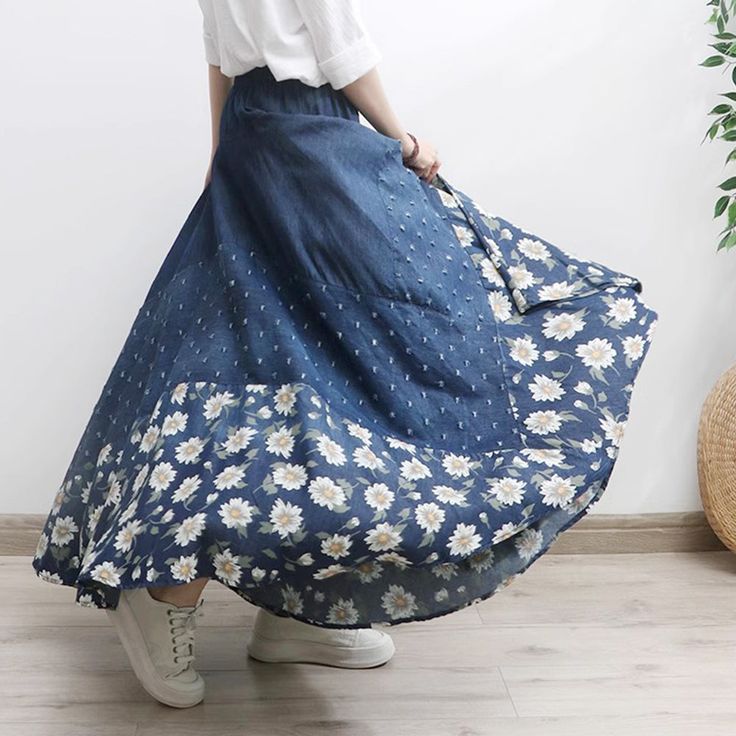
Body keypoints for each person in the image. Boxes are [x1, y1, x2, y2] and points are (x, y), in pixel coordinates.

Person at [32, 0, 658, 710]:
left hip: (256, 137)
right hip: (312, 138)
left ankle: (299, 605)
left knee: (302, 370)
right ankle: (163, 593)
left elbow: (219, 48)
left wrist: (218, 153)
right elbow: (340, 49)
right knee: (345, 357)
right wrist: (405, 139)